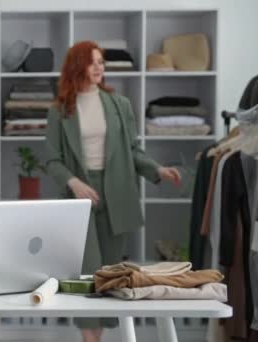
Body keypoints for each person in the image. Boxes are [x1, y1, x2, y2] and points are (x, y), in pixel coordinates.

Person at [45, 41, 182, 342]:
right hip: (78, 197)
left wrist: (157, 170)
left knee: (109, 275)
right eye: (92, 62)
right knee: (88, 271)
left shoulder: (119, 104)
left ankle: (99, 338)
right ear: (77, 66)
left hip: (117, 191)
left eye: (101, 62)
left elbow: (133, 150)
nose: (99, 67)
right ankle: (89, 339)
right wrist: (74, 182)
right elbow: (51, 159)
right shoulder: (59, 110)